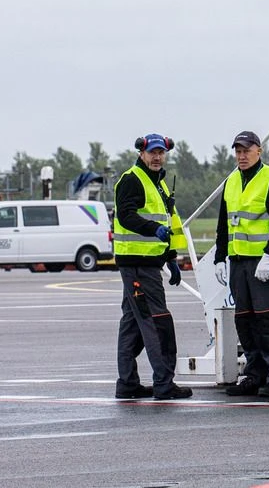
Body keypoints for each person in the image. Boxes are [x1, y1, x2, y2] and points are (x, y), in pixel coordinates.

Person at [111, 133, 192, 400]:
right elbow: (127, 216)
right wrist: (152, 229)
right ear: (141, 154)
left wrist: (170, 257)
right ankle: (164, 383)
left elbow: (167, 222)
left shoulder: (157, 183)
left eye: (161, 153)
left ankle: (127, 383)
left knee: (132, 323)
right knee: (157, 321)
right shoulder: (132, 180)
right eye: (152, 153)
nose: (157, 157)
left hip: (146, 262)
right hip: (138, 265)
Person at [214, 130, 269, 397]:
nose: (242, 156)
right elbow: (223, 225)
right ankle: (254, 373)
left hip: (262, 263)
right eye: (238, 151)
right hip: (238, 263)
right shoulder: (231, 182)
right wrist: (219, 258)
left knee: (267, 318)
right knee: (244, 321)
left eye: (246, 150)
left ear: (259, 151)